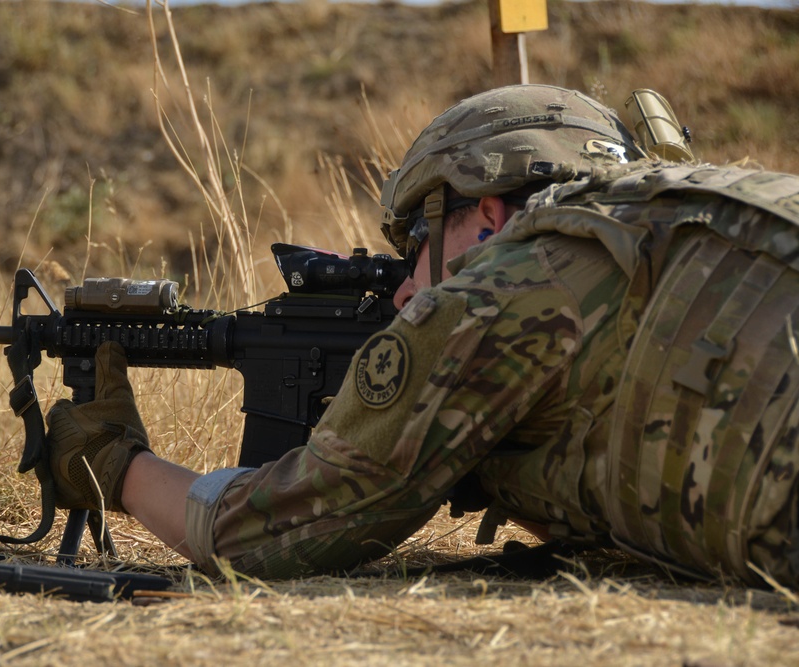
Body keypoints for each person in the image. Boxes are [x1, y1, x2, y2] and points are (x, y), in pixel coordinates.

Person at [46, 84, 799, 588]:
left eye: (417, 245)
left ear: (488, 213)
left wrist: (116, 463)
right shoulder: (669, 230)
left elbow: (269, 536)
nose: (407, 286)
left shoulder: (514, 278)